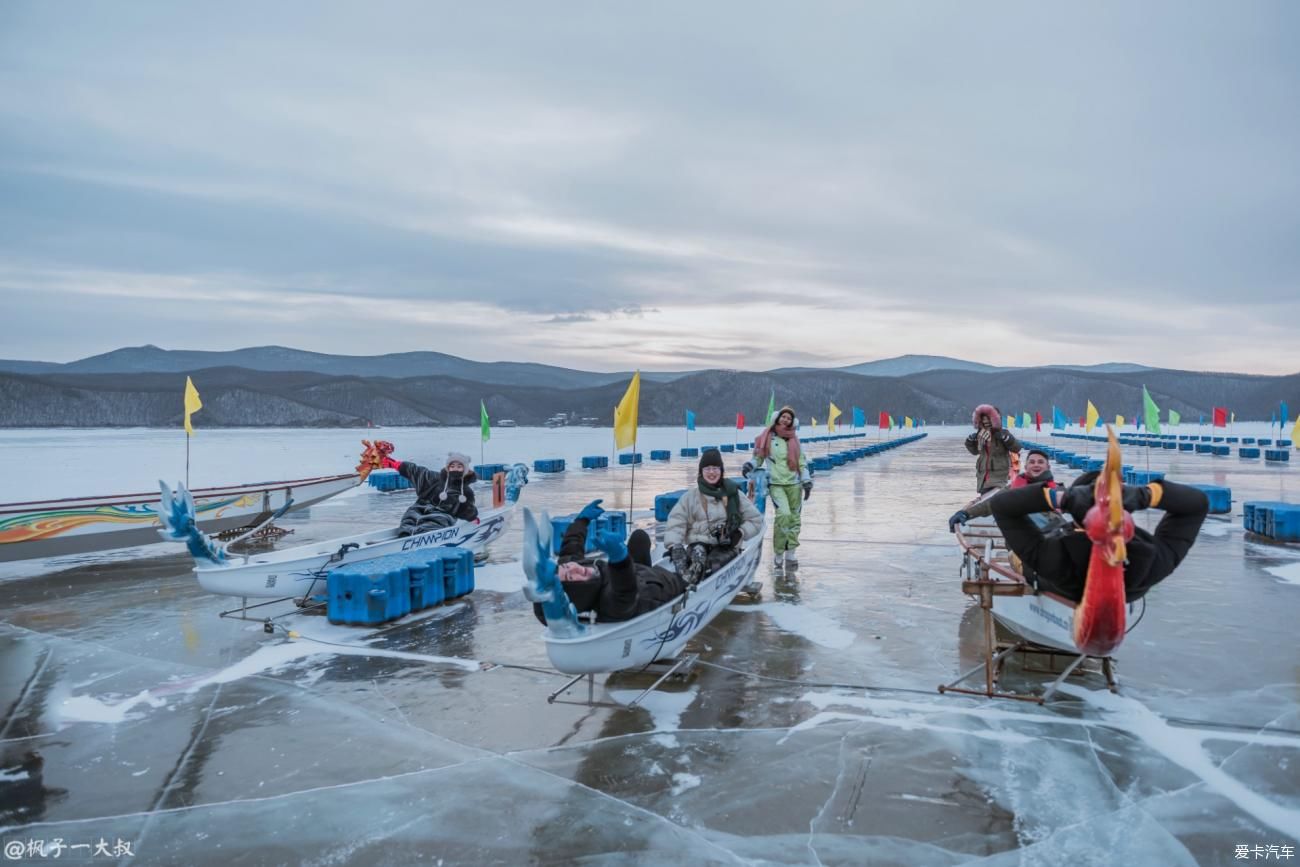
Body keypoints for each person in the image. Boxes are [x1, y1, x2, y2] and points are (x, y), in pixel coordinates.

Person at [987, 472, 1208, 602]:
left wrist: (1060, 498)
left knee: (1016, 554)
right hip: (1114, 582)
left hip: (1049, 574)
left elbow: (1001, 505)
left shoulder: (1053, 558)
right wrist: (1144, 495)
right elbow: (1197, 503)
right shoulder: (1151, 562)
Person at [532, 500, 689, 624]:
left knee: (639, 538)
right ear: (577, 593)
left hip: (637, 572)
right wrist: (619, 558)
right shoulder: (610, 604)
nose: (575, 569)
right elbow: (624, 589)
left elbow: (571, 547)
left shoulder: (577, 569)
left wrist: (582, 520)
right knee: (695, 569)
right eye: (571, 578)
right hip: (662, 586)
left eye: (566, 567)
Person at [663, 450, 764, 583]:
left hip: (725, 546)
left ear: (721, 470)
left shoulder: (734, 494)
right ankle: (687, 581)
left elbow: (756, 520)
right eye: (707, 469)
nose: (712, 472)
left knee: (714, 564)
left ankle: (705, 579)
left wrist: (739, 533)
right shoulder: (690, 497)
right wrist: (674, 546)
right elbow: (676, 523)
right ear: (701, 471)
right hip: (698, 543)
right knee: (697, 554)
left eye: (715, 468)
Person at [751, 405, 812, 566]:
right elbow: (758, 457)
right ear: (777, 418)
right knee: (783, 516)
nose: (786, 420)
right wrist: (750, 465)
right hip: (777, 484)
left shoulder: (795, 441)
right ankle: (778, 552)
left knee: (795, 519)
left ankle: (790, 553)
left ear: (793, 422)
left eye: (789, 418)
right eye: (783, 416)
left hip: (794, 485)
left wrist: (806, 481)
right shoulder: (767, 438)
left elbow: (802, 462)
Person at [949, 448, 1055, 529]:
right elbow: (991, 504)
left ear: (1048, 467)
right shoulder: (1013, 489)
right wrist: (966, 513)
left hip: (1050, 539)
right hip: (1022, 542)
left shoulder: (1057, 490)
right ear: (1026, 467)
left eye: (1040, 462)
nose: (1036, 465)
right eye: (1032, 462)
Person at [378, 450, 478, 535]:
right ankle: (405, 536)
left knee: (436, 520)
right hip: (421, 507)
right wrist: (396, 464)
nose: (455, 469)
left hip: (443, 514)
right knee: (411, 515)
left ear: (464, 470)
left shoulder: (466, 491)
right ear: (448, 468)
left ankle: (425, 536)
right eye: (452, 466)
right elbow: (417, 472)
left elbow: (468, 509)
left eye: (459, 467)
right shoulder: (436, 478)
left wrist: (472, 517)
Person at [965, 404, 1021, 493]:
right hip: (983, 478)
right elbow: (975, 451)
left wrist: (1006, 438)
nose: (986, 421)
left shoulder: (1003, 433)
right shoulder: (980, 435)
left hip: (999, 478)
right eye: (983, 419)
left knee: (995, 499)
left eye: (988, 419)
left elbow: (1016, 448)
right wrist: (970, 442)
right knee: (985, 500)